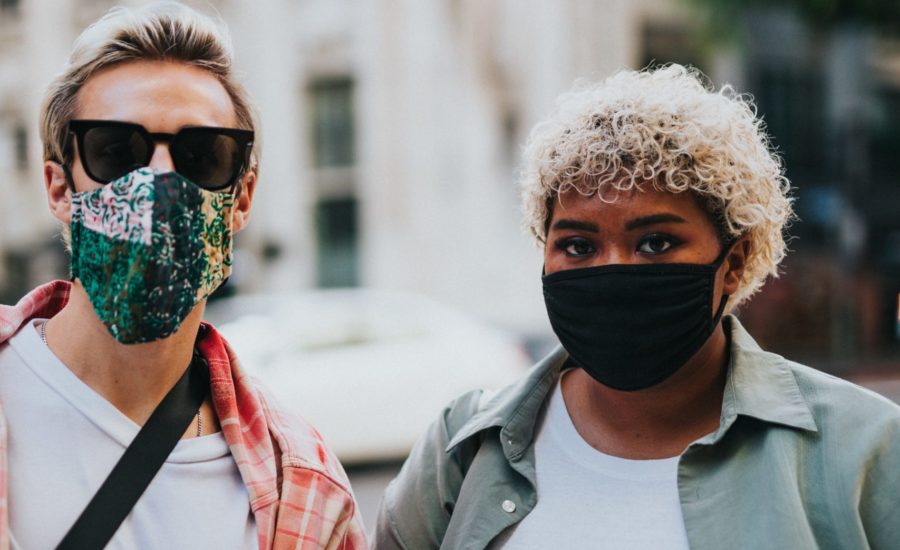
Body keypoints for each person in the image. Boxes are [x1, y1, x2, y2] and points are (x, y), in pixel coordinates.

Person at [374, 64, 900, 549]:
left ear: (734, 263)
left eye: (655, 243)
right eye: (578, 246)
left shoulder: (864, 451)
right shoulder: (463, 450)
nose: (612, 269)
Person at [0, 3, 366, 548]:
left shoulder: (308, 489)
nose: (160, 179)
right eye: (117, 151)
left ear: (241, 198)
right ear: (59, 189)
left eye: (202, 156)